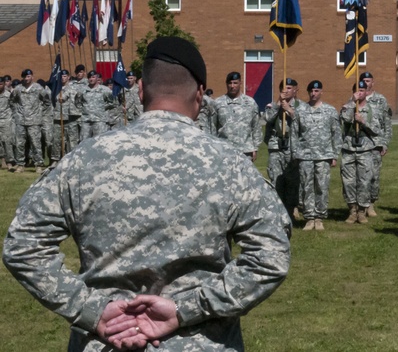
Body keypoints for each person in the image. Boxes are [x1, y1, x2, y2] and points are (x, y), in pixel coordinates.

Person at [2, 36, 291, 351]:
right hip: (203, 341)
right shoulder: (230, 165)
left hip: (108, 339)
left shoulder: (85, 160)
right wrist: (187, 309)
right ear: (199, 95)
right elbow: (270, 256)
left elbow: (23, 246)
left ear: (140, 91)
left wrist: (91, 310)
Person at [291, 79, 341, 230]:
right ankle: (309, 217)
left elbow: (336, 134)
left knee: (321, 186)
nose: (314, 94)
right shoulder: (300, 111)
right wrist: (295, 153)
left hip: (324, 155)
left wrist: (334, 154)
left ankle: (319, 217)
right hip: (305, 155)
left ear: (321, 92)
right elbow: (294, 134)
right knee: (306, 187)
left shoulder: (330, 111)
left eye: (317, 91)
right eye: (311, 91)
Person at [341, 79, 389, 224]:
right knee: (348, 182)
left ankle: (362, 211)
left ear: (366, 92)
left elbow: (377, 129)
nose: (359, 93)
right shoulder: (347, 107)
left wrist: (363, 122)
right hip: (349, 148)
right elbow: (343, 119)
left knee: (364, 181)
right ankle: (352, 210)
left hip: (366, 149)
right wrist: (351, 104)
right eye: (357, 91)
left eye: (362, 91)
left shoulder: (372, 109)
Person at [264, 78, 302, 219]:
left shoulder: (301, 106)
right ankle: (277, 210)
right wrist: (279, 103)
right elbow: (267, 119)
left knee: (292, 180)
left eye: (289, 88)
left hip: (293, 147)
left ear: (295, 90)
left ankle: (292, 208)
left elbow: (303, 123)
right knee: (276, 179)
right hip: (276, 146)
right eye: (283, 88)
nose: (286, 91)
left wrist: (291, 111)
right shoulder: (273, 105)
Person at [360, 71, 392, 217]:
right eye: (363, 80)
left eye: (368, 80)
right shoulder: (355, 99)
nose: (366, 83)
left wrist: (385, 143)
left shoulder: (380, 100)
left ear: (373, 82)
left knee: (374, 176)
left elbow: (387, 123)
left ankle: (371, 203)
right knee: (361, 176)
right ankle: (361, 205)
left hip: (376, 143)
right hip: (360, 144)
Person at [212, 71, 262, 160]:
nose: (232, 86)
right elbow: (212, 127)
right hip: (224, 150)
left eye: (235, 83)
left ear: (240, 83)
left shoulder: (250, 102)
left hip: (245, 151)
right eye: (230, 83)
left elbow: (256, 126)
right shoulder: (218, 103)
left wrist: (255, 147)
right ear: (226, 84)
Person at [10, 68, 48, 171]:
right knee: (20, 143)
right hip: (21, 121)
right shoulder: (18, 89)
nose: (26, 79)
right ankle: (20, 164)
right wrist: (16, 113)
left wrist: (39, 112)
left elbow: (47, 101)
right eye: (24, 77)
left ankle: (39, 164)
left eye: (28, 76)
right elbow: (12, 101)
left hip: (34, 121)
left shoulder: (39, 88)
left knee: (36, 143)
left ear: (32, 76)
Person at [79, 71, 115, 141]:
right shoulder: (82, 90)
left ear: (97, 78)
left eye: (93, 77)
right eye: (89, 77)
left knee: (99, 141)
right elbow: (77, 102)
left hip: (99, 120)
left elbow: (113, 102)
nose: (91, 79)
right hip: (86, 120)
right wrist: (85, 109)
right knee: (83, 143)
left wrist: (102, 107)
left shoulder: (105, 90)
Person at [0, 74, 13, 169]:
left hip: (6, 120)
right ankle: (2, 160)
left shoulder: (9, 95)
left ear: (4, 84)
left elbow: (14, 106)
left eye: (0, 84)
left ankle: (9, 161)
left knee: (7, 141)